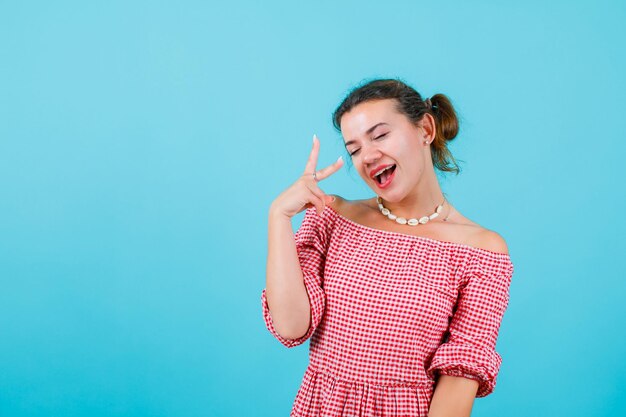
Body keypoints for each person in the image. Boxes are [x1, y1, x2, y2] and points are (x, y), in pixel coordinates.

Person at [261, 78, 514, 417]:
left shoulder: (481, 251)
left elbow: (458, 380)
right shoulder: (331, 217)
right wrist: (278, 216)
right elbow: (291, 327)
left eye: (380, 135)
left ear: (425, 129)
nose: (367, 156)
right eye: (353, 149)